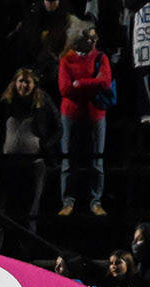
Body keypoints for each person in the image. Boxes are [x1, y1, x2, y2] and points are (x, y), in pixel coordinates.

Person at [56, 22, 112, 216]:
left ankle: (95, 201)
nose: (92, 41)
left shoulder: (101, 57)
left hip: (95, 114)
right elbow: (64, 88)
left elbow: (105, 82)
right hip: (70, 115)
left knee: (97, 160)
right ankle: (67, 202)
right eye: (88, 38)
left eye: (94, 38)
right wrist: (91, 85)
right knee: (68, 160)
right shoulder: (66, 59)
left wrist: (80, 83)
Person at [0, 66, 60, 235]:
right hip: (10, 163)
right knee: (9, 207)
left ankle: (28, 247)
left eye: (28, 82)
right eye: (20, 81)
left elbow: (58, 127)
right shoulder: (6, 102)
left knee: (31, 210)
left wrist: (45, 145)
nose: (24, 85)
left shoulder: (43, 101)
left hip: (34, 164)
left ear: (34, 84)